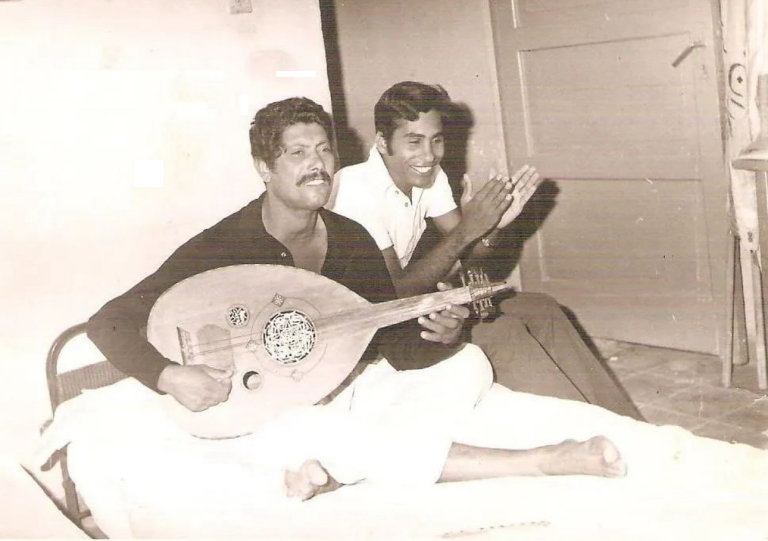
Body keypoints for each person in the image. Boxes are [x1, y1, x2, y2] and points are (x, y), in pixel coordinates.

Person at [84, 96, 626, 504]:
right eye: (298, 153)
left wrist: (442, 334)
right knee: (308, 427)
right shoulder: (224, 246)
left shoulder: (349, 238)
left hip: (338, 384)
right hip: (263, 406)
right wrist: (169, 376)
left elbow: (389, 342)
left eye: (324, 150)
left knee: (468, 365)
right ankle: (539, 461)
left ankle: (339, 468)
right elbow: (108, 322)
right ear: (265, 169)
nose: (317, 164)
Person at [328, 81, 642, 420]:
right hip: (368, 331)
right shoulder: (356, 190)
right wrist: (470, 228)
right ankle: (588, 433)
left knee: (544, 309)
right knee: (502, 332)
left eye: (436, 140)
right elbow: (392, 293)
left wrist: (495, 226)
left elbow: (471, 253)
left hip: (409, 308)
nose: (429, 155)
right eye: (414, 142)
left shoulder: (428, 176)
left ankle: (627, 425)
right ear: (382, 142)